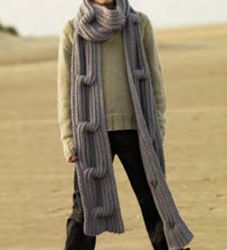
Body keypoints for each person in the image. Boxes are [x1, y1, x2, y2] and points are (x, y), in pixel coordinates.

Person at [57, 0, 192, 249]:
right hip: (90, 135)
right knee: (85, 209)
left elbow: (155, 79)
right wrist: (68, 139)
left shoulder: (140, 24)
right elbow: (65, 90)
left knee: (155, 203)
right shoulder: (72, 30)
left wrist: (158, 127)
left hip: (137, 131)